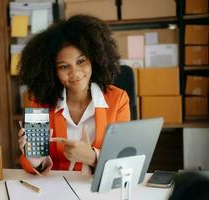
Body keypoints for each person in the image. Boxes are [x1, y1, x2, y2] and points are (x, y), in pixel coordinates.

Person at [17, 14, 130, 175]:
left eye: (81, 61)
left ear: (94, 59)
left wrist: (92, 157)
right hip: (57, 190)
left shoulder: (118, 100)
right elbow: (32, 166)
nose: (75, 73)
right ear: (52, 71)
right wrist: (36, 161)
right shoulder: (40, 102)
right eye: (64, 66)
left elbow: (124, 160)